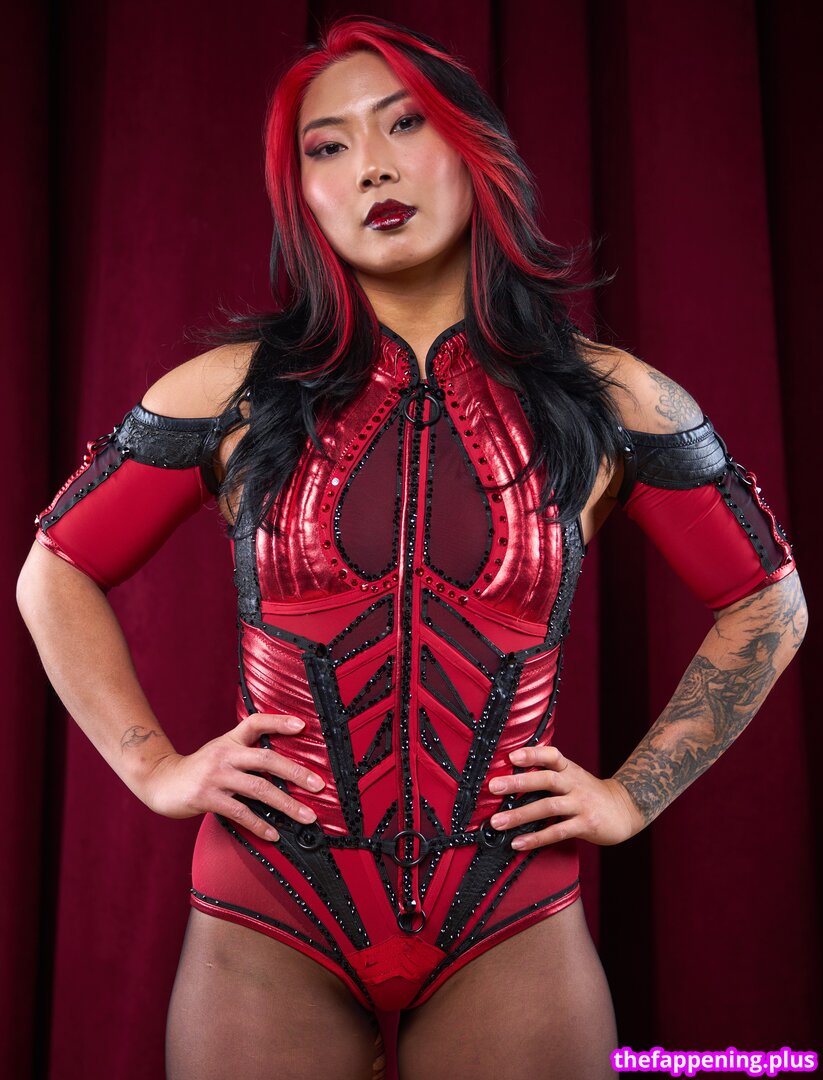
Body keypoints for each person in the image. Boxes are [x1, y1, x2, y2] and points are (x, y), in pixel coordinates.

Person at [16, 15, 806, 1080]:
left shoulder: (614, 397)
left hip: (509, 913)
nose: (371, 167)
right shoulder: (228, 393)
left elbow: (767, 600)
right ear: (302, 195)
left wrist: (632, 795)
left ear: (474, 149)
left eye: (405, 125)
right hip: (269, 909)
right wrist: (153, 767)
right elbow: (56, 570)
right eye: (327, 146)